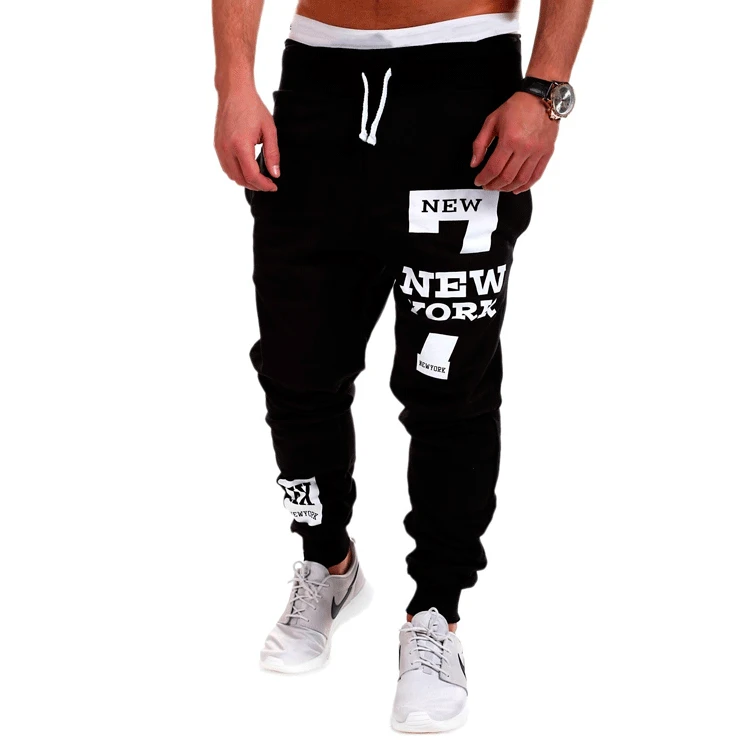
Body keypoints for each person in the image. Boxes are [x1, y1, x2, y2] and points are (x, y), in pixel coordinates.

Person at [212, 0, 592, 733]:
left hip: (462, 86)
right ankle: (328, 561)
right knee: (296, 367)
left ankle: (436, 612)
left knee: (449, 383)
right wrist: (234, 82)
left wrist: (545, 88)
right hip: (318, 85)